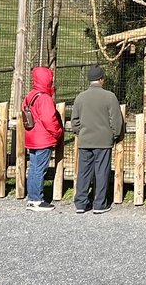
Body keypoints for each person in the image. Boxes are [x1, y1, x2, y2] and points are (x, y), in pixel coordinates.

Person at [69, 64, 123, 214]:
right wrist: (114, 134)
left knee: (84, 172)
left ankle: (81, 203)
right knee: (101, 172)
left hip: (85, 140)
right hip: (103, 141)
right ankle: (99, 204)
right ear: (101, 79)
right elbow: (116, 121)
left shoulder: (80, 97)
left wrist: (80, 132)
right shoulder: (110, 97)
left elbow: (75, 121)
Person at [21, 66, 62, 210]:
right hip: (43, 138)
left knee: (33, 168)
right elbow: (49, 119)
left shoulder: (30, 95)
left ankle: (32, 197)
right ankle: (37, 199)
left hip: (32, 137)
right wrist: (58, 132)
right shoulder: (45, 98)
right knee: (40, 169)